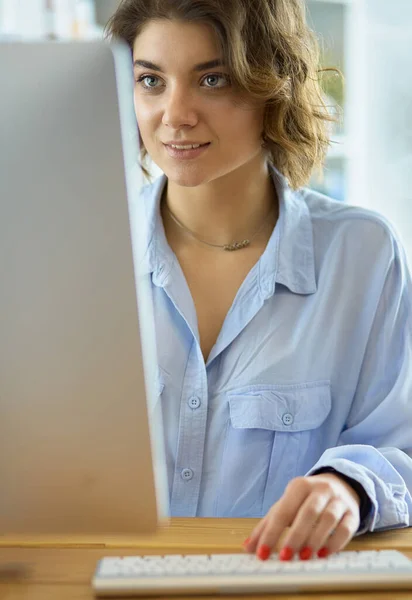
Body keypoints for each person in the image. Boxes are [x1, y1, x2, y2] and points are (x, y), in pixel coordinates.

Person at [106, 0, 412, 563]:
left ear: (274, 84)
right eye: (151, 80)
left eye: (212, 78)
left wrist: (349, 486)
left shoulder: (362, 256)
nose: (174, 114)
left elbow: (401, 447)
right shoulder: (86, 254)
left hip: (283, 586)